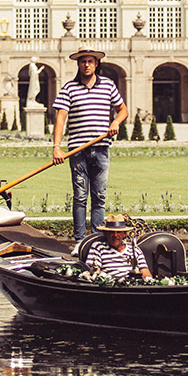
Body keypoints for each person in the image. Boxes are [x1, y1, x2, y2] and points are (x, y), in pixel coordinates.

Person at [51, 47, 129, 241]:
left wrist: (115, 122)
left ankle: (96, 240)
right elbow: (61, 118)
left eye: (90, 61)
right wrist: (56, 147)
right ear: (78, 64)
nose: (86, 65)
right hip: (77, 150)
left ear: (96, 64)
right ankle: (79, 241)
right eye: (83, 61)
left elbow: (123, 110)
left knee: (99, 196)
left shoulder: (108, 85)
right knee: (79, 197)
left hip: (101, 148)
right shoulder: (69, 88)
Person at [81, 216, 153, 281]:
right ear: (106, 234)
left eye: (118, 232)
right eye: (112, 232)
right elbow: (93, 272)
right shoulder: (98, 247)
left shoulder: (134, 249)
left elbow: (145, 272)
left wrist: (148, 281)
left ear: (124, 234)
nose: (115, 235)